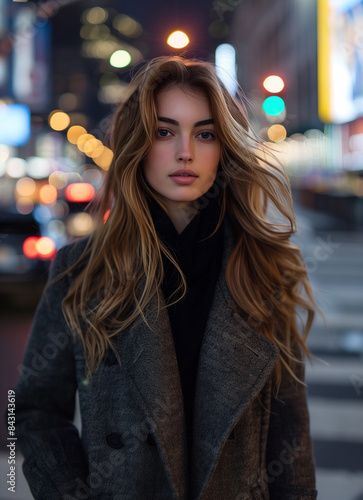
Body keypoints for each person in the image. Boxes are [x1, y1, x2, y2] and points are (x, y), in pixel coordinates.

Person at [15, 56, 318, 500]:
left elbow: (290, 437)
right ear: (139, 143)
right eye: (164, 131)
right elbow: (30, 408)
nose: (185, 152)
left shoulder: (263, 269)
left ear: (225, 148)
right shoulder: (84, 269)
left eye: (205, 133)